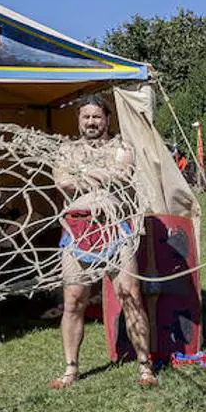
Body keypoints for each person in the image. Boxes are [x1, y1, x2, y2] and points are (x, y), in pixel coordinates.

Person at [51, 95, 157, 389]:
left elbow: (122, 176)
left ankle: (144, 367)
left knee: (130, 296)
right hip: (77, 232)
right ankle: (71, 369)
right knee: (73, 301)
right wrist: (100, 176)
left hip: (116, 230)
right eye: (86, 117)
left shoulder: (122, 147)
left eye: (97, 117)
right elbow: (62, 182)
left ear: (107, 119)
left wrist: (83, 174)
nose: (91, 122)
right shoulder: (66, 150)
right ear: (79, 121)